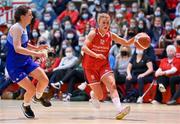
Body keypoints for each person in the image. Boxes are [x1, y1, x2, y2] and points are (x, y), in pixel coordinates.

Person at [81, 13, 134, 120]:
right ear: (98, 24)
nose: (106, 25)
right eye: (103, 23)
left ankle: (119, 110)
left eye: (107, 23)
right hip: (90, 67)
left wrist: (136, 40)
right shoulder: (93, 33)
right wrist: (96, 55)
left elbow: (126, 42)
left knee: (112, 85)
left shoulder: (111, 35)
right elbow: (84, 48)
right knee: (101, 96)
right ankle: (93, 95)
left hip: (103, 65)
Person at [6, 5, 51, 119]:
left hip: (25, 61)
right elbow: (17, 48)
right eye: (30, 14)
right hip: (15, 65)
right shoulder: (16, 28)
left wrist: (37, 48)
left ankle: (37, 97)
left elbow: (24, 43)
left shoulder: (24, 27)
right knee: (30, 89)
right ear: (22, 16)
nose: (32, 16)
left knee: (44, 80)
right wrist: (36, 54)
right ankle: (26, 105)